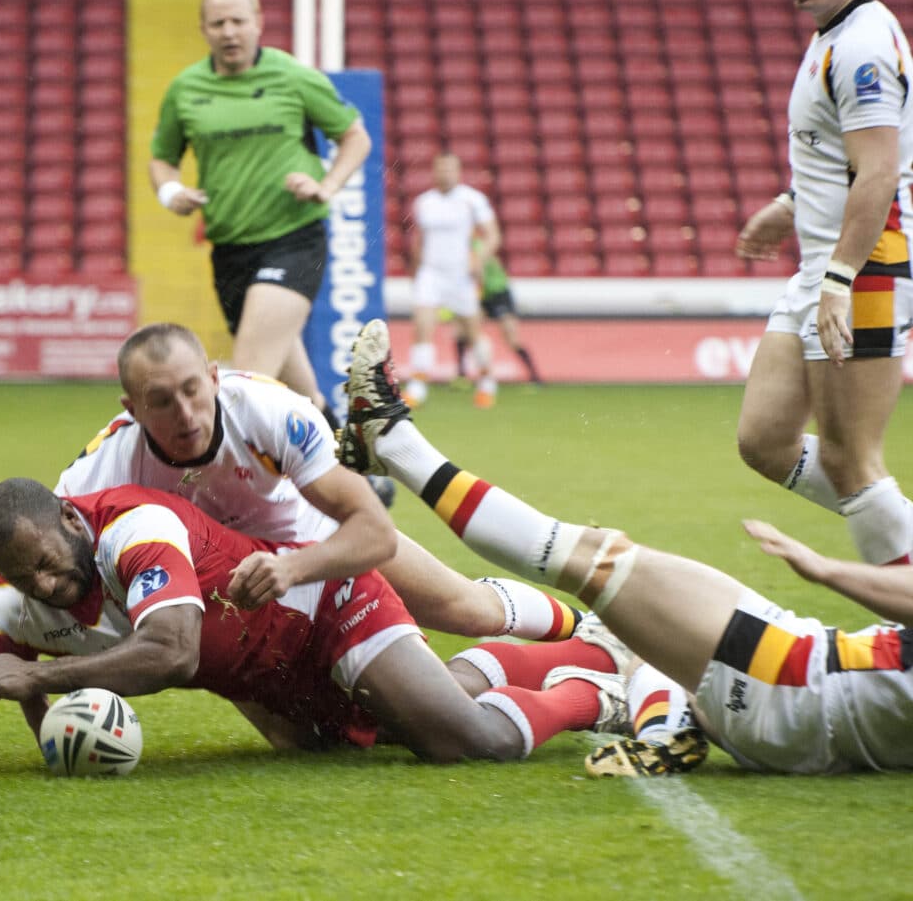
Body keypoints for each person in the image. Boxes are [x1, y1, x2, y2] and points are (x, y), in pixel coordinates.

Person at [339, 318, 913, 775]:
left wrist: (828, 570)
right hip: (802, 688)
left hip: (788, 682)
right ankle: (660, 716)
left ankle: (391, 442)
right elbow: (812, 463)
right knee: (842, 472)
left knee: (594, 560)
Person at [0, 480, 633, 779]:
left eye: (49, 560)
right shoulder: (16, 607)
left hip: (326, 612)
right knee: (405, 723)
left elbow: (173, 647)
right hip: (267, 685)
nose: (48, 583)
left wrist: (45, 680)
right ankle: (589, 646)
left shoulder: (135, 527)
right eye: (24, 575)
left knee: (465, 743)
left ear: (71, 518)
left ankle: (597, 686)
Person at [62, 323, 582, 643]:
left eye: (193, 390)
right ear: (131, 409)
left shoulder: (271, 410)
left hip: (314, 544)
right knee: (312, 740)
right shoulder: (101, 467)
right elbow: (37, 556)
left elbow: (374, 535)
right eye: (160, 401)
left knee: (467, 611)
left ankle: (589, 630)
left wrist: (292, 567)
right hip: (235, 594)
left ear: (215, 378)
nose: (185, 414)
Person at [734, 0, 913, 567]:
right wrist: (790, 205)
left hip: (865, 268)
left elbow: (881, 172)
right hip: (824, 266)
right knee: (764, 439)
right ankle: (895, 525)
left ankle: (904, 604)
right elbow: (843, 153)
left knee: (851, 460)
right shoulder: (834, 36)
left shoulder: (863, 45)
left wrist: (840, 279)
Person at [148, 0, 371, 430]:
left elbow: (355, 136)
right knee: (301, 391)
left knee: (243, 383)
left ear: (258, 24)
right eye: (218, 23)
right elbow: (162, 159)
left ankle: (227, 495)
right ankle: (353, 465)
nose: (229, 32)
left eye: (238, 21)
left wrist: (326, 186)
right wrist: (171, 193)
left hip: (294, 239)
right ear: (204, 29)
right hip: (230, 249)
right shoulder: (185, 89)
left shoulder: (293, 77)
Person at [404, 153, 501, 409]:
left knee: (472, 331)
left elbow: (492, 236)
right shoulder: (424, 202)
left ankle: (487, 380)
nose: (445, 173)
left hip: (461, 274)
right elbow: (419, 240)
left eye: (450, 169)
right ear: (434, 172)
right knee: (422, 325)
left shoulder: (472, 200)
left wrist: (478, 260)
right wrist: (415, 271)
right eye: (440, 169)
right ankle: (418, 386)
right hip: (431, 273)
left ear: (458, 172)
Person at [476, 244, 542, 385]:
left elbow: (479, 271)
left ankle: (535, 376)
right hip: (482, 296)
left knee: (511, 337)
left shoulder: (478, 246)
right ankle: (462, 374)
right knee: (466, 332)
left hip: (498, 294)